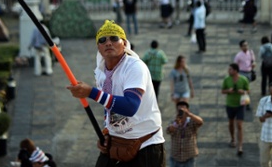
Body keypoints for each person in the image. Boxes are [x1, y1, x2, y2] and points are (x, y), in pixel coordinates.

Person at [66, 20, 165, 167]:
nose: (108, 43)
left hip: (145, 144)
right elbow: (109, 108)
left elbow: (130, 106)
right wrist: (107, 131)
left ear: (124, 44)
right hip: (116, 142)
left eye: (114, 38)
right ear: (98, 47)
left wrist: (91, 92)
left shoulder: (134, 67)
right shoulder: (100, 72)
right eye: (102, 40)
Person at [221, 63, 250, 156]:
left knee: (239, 125)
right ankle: (233, 138)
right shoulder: (226, 79)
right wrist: (228, 91)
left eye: (230, 69)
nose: (228, 71)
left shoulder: (243, 79)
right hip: (230, 104)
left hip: (240, 105)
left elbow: (248, 90)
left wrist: (244, 91)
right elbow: (222, 91)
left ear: (235, 71)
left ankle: (240, 146)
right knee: (231, 123)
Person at [166, 100, 204, 167]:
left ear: (187, 110)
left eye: (183, 109)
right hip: (175, 158)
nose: (181, 112)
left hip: (189, 157)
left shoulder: (191, 121)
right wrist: (176, 124)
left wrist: (189, 114)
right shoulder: (173, 122)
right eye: (179, 110)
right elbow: (168, 130)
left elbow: (200, 122)